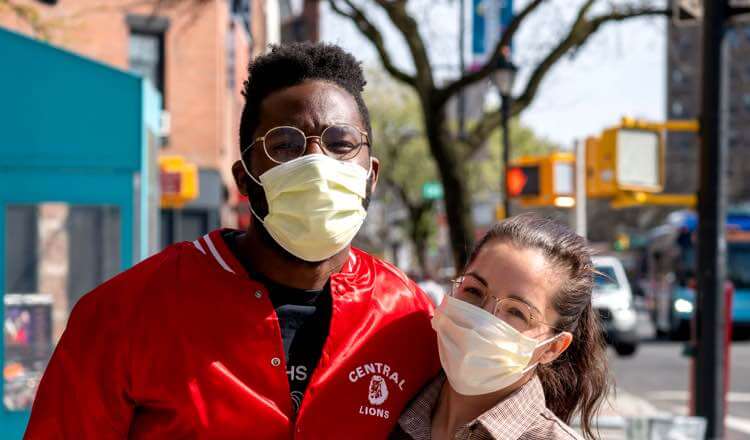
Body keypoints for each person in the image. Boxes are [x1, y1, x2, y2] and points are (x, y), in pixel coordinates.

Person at [25, 42, 441, 439]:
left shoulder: (407, 318)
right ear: (244, 179)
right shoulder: (126, 314)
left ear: (371, 174)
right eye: (285, 146)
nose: (318, 165)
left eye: (341, 145)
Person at [392, 214, 609, 440]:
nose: (482, 320)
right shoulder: (387, 404)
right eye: (474, 291)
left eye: (517, 312)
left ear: (553, 348)